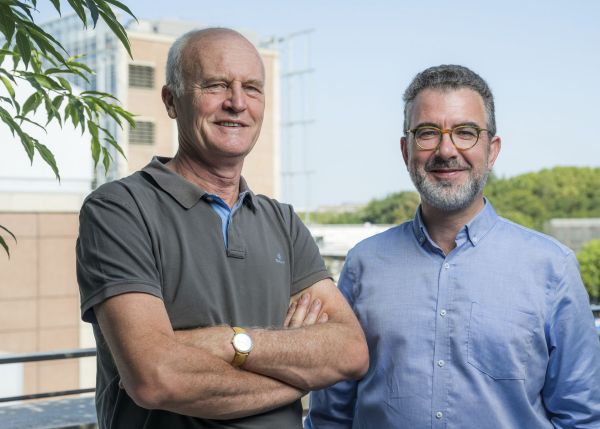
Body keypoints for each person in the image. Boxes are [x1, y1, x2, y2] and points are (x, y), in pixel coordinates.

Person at [76, 28, 368, 429]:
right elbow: (156, 378)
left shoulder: (282, 221)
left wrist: (229, 343)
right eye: (216, 85)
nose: (237, 103)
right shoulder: (119, 209)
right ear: (171, 100)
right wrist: (300, 375)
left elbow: (349, 351)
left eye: (252, 88)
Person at [305, 65, 600, 428]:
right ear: (405, 150)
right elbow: (330, 417)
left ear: (492, 150)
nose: (447, 150)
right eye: (428, 133)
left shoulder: (552, 267)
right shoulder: (362, 265)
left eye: (466, 132)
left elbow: (583, 418)